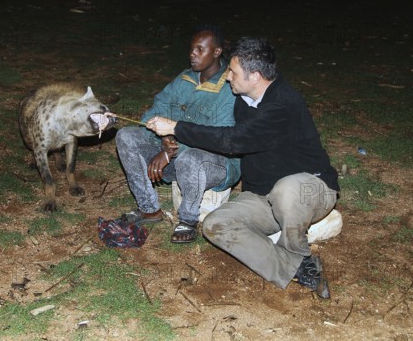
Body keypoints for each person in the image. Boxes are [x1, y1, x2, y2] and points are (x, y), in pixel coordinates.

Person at [146, 36, 339, 299]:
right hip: (263, 197)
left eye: (233, 72)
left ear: (255, 76)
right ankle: (298, 268)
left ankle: (297, 253)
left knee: (287, 189)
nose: (227, 77)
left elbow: (234, 140)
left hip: (311, 190)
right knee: (216, 224)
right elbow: (218, 130)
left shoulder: (284, 105)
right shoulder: (244, 99)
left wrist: (176, 127)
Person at [115, 24, 241, 244]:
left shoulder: (228, 88)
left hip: (216, 163)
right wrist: (166, 140)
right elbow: (153, 112)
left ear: (217, 52)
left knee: (191, 158)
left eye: (200, 49)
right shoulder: (186, 78)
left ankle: (188, 219)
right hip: (175, 156)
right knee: (126, 136)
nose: (192, 53)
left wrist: (172, 151)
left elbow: (217, 139)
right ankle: (149, 209)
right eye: (192, 48)